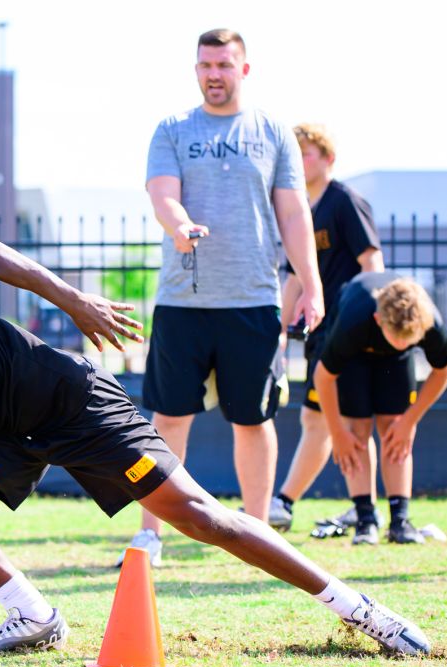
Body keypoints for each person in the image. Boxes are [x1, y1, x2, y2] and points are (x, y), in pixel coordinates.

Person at [0, 231, 430, 658]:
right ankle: (31, 616)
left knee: (200, 518)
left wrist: (76, 303)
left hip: (70, 402)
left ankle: (360, 610)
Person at [127, 28, 324, 566]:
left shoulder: (273, 133)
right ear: (196, 71)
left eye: (223, 64)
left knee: (254, 421)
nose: (213, 73)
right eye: (205, 65)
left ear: (244, 69)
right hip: (182, 302)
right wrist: (181, 223)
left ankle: (256, 533)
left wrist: (311, 282)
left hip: (253, 300)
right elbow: (162, 195)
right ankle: (151, 534)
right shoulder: (172, 129)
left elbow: (293, 212)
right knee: (166, 422)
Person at [266, 123, 385, 534]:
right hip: (320, 333)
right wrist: (278, 328)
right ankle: (353, 507)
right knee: (321, 421)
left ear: (328, 158)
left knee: (344, 423)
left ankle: (290, 503)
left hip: (349, 332)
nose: (300, 161)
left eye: (308, 153)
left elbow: (372, 263)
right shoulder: (299, 208)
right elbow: (297, 276)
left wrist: (372, 320)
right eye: (294, 154)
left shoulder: (345, 201)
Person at [309, 273, 447, 545]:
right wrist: (337, 432)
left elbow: (444, 370)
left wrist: (409, 421)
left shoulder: (428, 323)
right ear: (379, 321)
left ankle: (400, 520)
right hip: (356, 357)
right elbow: (324, 377)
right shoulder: (354, 322)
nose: (402, 342)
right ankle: (365, 520)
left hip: (396, 364)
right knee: (357, 431)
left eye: (408, 339)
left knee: (394, 428)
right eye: (396, 338)